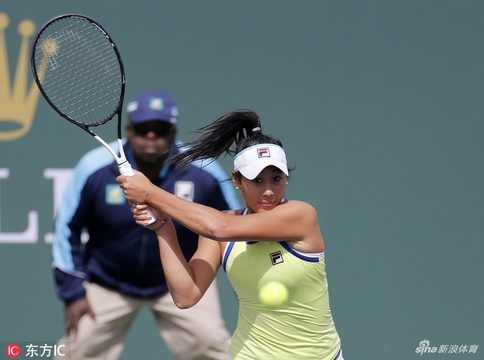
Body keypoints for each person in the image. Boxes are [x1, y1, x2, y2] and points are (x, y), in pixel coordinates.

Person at [117, 110, 344, 360]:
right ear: (237, 180)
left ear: (287, 179)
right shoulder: (223, 230)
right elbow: (186, 295)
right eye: (257, 180)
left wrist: (149, 192)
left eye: (276, 178)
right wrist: (163, 227)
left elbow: (218, 227)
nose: (268, 191)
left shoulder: (301, 216)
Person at [52, 90, 240, 360]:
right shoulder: (94, 167)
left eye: (160, 129)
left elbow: (231, 223)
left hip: (183, 278)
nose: (151, 135)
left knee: (212, 349)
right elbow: (65, 230)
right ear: (128, 129)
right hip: (107, 281)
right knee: (75, 352)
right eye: (143, 128)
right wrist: (73, 292)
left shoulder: (202, 171)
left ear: (173, 132)